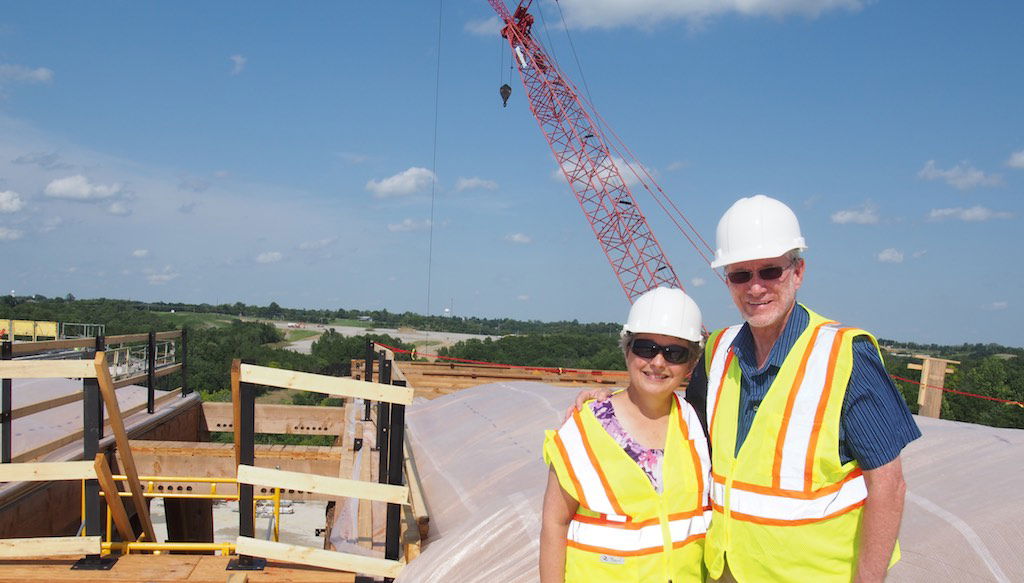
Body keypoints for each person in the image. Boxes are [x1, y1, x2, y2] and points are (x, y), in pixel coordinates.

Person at [573, 195, 921, 582]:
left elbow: (888, 485)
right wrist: (616, 404)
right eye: (741, 275)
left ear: (798, 271)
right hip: (726, 571)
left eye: (770, 271)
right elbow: (677, 422)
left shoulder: (845, 356)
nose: (755, 288)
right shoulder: (718, 352)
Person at [540, 287, 711, 582]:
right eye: (646, 348)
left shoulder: (699, 425)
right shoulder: (584, 426)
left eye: (675, 353)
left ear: (691, 363)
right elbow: (555, 523)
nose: (658, 362)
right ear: (627, 349)